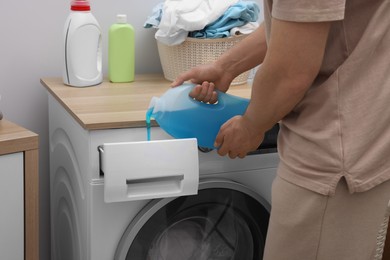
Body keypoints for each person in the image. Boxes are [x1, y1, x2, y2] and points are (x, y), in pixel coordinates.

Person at [171, 0, 390, 259]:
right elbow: (300, 24)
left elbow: (290, 73)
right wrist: (225, 67)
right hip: (359, 133)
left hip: (332, 157)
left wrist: (252, 126)